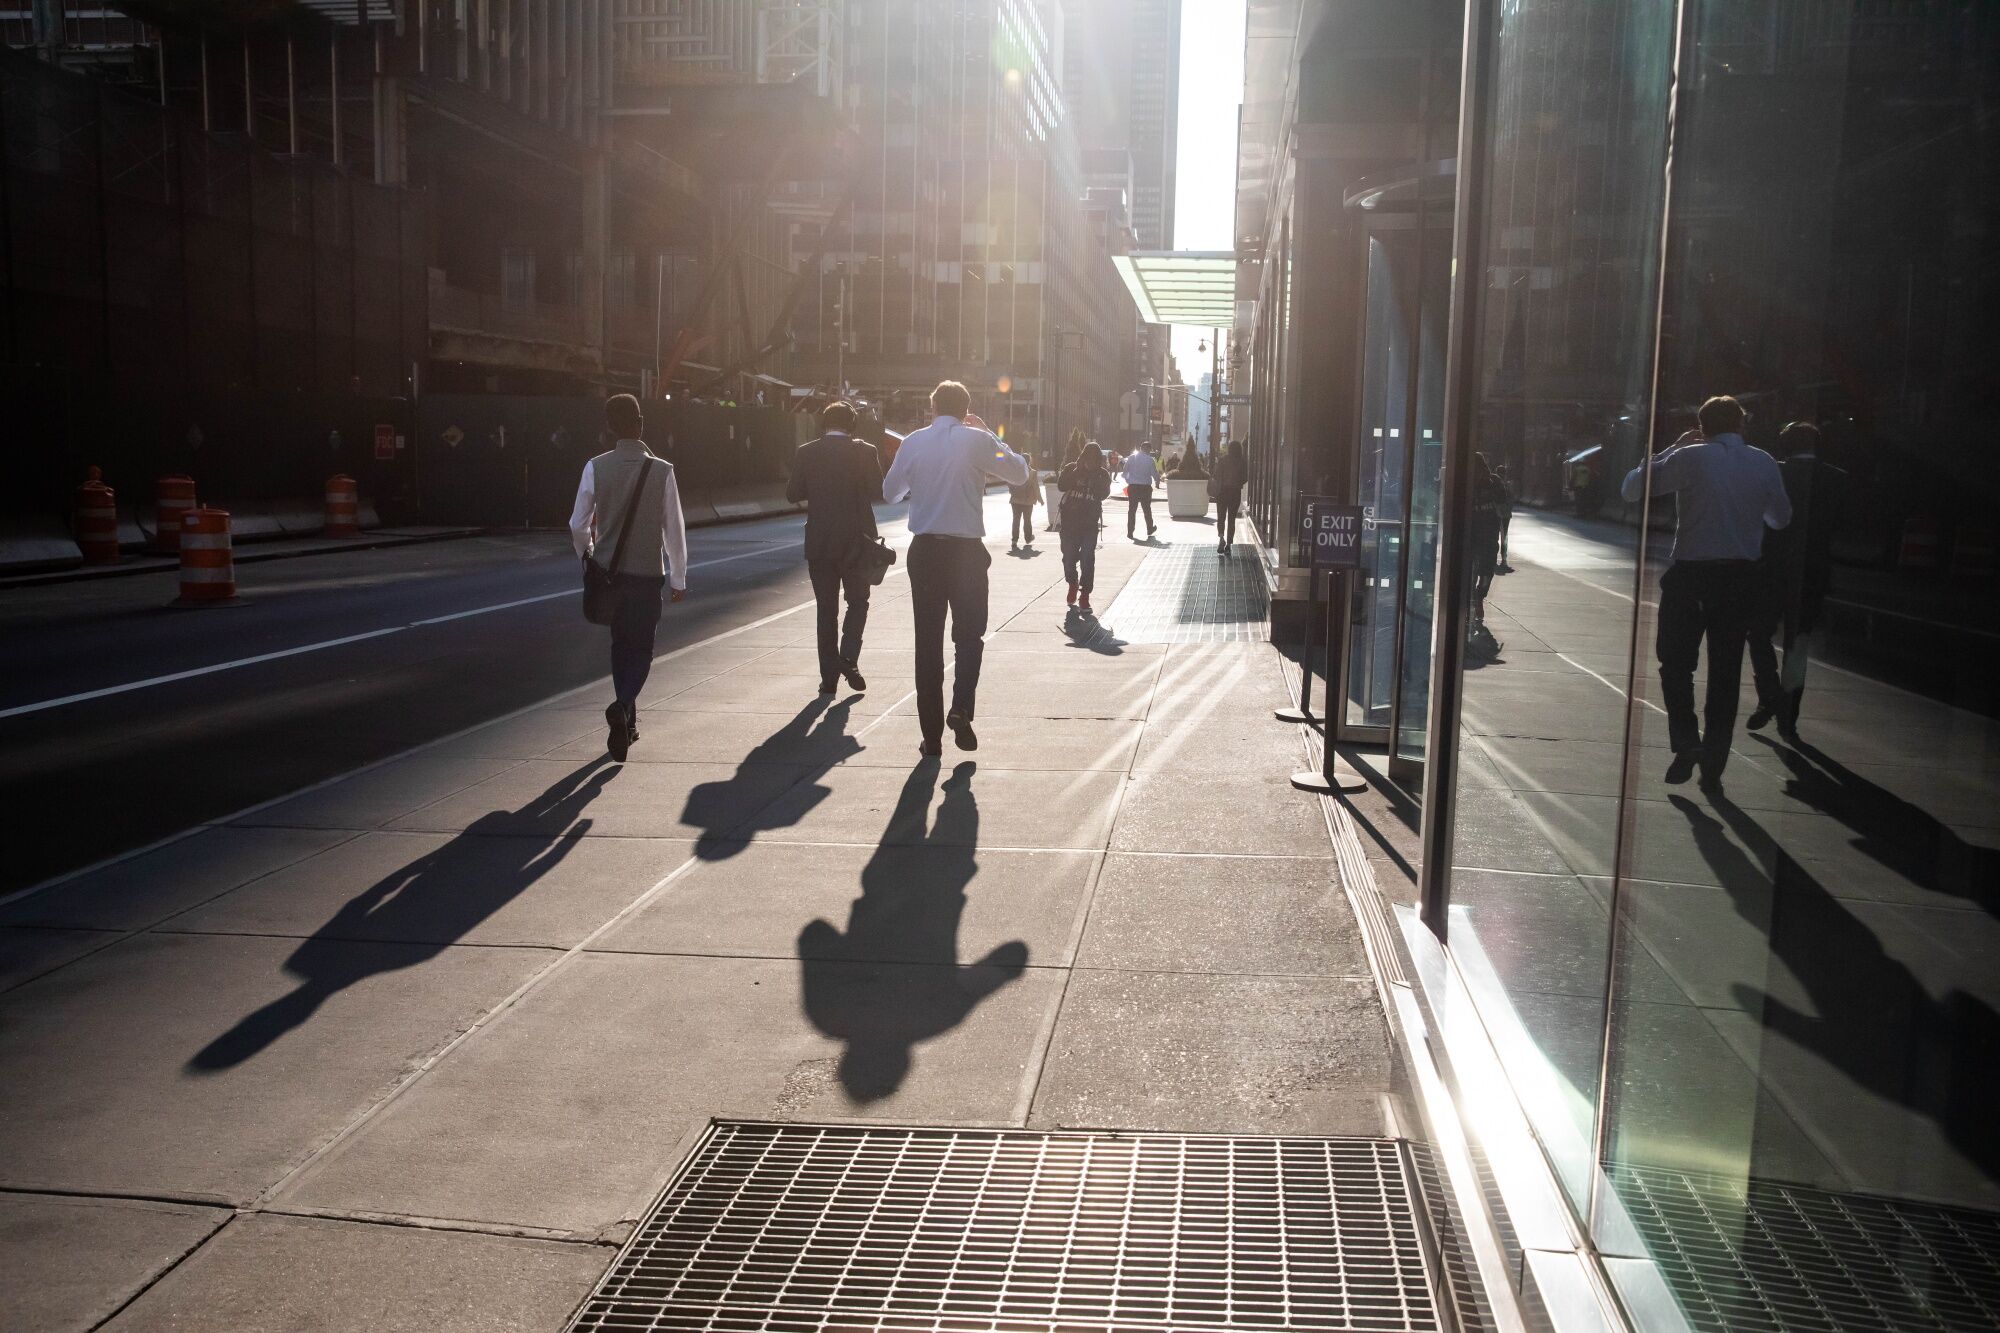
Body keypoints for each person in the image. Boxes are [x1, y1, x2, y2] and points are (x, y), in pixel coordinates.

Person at [1621, 395, 1791, 788]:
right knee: (1726, 670)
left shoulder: (1690, 457)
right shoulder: (1763, 462)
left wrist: (1674, 447)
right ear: (1742, 425)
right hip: (1740, 580)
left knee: (1676, 663)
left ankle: (1686, 741)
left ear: (1702, 426)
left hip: (1691, 577)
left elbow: (1633, 489)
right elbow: (1781, 519)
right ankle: (1715, 759)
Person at [881, 380, 1029, 756]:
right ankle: (961, 708)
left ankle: (931, 738)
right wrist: (990, 437)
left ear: (932, 407)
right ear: (966, 410)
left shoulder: (913, 442)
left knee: (927, 643)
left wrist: (919, 485)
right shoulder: (976, 441)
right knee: (969, 636)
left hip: (925, 552)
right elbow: (1018, 473)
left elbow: (889, 492)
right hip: (965, 554)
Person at [569, 393, 688, 762]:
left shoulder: (595, 467)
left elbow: (577, 524)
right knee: (643, 648)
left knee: (621, 645)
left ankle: (628, 722)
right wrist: (679, 578)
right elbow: (674, 529)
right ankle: (622, 708)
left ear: (608, 427)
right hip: (646, 575)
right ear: (641, 422)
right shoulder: (663, 470)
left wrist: (587, 555)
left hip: (609, 577)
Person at [1746, 421, 1844, 740]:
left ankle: (1769, 694)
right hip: (1813, 574)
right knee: (1797, 645)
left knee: (1759, 633)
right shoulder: (1837, 479)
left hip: (1772, 570)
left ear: (1786, 445)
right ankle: (1789, 716)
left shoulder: (1775, 473)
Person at [787, 399, 882, 695]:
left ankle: (829, 678)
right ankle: (849, 658)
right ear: (852, 424)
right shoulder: (866, 452)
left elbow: (792, 494)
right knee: (858, 602)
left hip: (820, 543)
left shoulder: (807, 452)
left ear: (824, 424)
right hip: (858, 544)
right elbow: (879, 492)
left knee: (826, 610)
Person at [1057, 440, 1112, 611]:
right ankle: (1072, 582)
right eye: (1088, 458)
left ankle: (1085, 595)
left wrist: (1093, 477)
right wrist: (1076, 471)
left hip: (1089, 525)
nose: (1090, 462)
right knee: (1068, 559)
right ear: (1083, 456)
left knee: (1088, 558)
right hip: (1070, 524)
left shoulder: (1102, 475)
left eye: (1095, 460)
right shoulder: (1071, 468)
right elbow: (1061, 486)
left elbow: (1103, 494)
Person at [1468, 453, 1506, 655]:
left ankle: (1476, 598)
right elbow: (1504, 502)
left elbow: (1503, 501)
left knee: (1481, 569)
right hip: (1484, 534)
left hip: (1478, 534)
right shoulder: (1491, 481)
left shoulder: (1493, 481)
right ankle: (1477, 597)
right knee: (1485, 569)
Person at [1211, 441, 1246, 554]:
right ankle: (1229, 544)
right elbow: (1245, 477)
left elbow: (1216, 475)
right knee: (1231, 519)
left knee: (1221, 516)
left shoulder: (1222, 460)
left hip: (1222, 492)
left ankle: (1221, 538)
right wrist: (1238, 482)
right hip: (1235, 492)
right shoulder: (1242, 461)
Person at [1122, 440, 1160, 540]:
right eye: (1149, 449)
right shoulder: (1150, 460)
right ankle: (1150, 528)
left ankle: (1130, 532)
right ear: (1147, 449)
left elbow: (1125, 471)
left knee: (1132, 510)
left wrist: (1128, 480)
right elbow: (1154, 473)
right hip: (1145, 488)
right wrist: (1157, 481)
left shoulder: (1131, 457)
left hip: (1133, 487)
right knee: (1147, 509)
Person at [1008, 449, 1040, 550]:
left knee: (1016, 520)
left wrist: (1012, 491)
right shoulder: (1032, 473)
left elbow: (1009, 482)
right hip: (1028, 501)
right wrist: (1040, 499)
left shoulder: (1015, 471)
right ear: (1029, 461)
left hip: (1015, 500)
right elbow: (1036, 487)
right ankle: (1028, 537)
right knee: (1027, 520)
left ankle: (1014, 539)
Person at [1493, 463, 1516, 573]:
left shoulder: (1493, 483)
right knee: (1504, 537)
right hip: (1505, 514)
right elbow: (1511, 500)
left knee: (1494, 537)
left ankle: (1494, 560)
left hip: (1496, 514)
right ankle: (1504, 560)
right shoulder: (1506, 485)